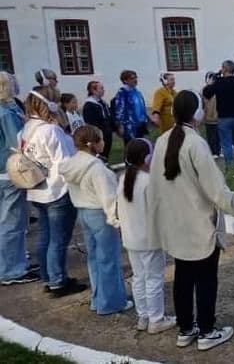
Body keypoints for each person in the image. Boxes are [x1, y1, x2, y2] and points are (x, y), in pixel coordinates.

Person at [149, 90, 234, 350]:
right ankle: (206, 330)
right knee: (205, 280)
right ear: (196, 114)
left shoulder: (162, 141)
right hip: (199, 225)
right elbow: (217, 190)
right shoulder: (195, 144)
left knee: (182, 277)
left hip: (174, 225)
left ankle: (186, 329)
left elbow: (156, 187)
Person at [21, 87, 87, 297]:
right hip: (56, 190)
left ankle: (49, 277)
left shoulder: (25, 129)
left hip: (38, 189)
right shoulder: (50, 130)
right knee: (58, 239)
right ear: (49, 104)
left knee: (45, 236)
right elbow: (64, 162)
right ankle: (58, 280)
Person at [59, 125, 131, 315]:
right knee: (109, 259)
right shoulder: (97, 169)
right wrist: (117, 223)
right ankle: (111, 302)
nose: (104, 142)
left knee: (94, 258)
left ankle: (98, 298)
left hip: (84, 212)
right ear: (93, 144)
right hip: (100, 215)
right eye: (101, 139)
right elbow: (108, 199)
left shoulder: (72, 163)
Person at [116, 138, 176, 333]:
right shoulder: (149, 182)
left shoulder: (124, 178)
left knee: (139, 278)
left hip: (131, 238)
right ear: (148, 158)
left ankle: (143, 316)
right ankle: (156, 320)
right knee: (154, 280)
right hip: (149, 239)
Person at [0, 72, 38, 285]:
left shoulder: (9, 109)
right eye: (12, 81)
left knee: (8, 222)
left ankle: (13, 261)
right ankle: (11, 269)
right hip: (9, 173)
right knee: (12, 223)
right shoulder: (6, 113)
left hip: (3, 173)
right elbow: (18, 143)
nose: (16, 83)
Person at [203, 60, 234, 166]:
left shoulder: (219, 83)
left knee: (226, 144)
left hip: (224, 117)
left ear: (225, 69)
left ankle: (230, 168)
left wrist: (210, 84)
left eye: (222, 68)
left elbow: (207, 94)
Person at [113, 70, 149, 143]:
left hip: (140, 123)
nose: (135, 80)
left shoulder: (136, 92)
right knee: (131, 146)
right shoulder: (122, 93)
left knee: (140, 145)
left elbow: (141, 107)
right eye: (132, 78)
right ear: (125, 80)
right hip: (130, 126)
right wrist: (120, 125)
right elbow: (119, 110)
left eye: (136, 78)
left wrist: (147, 118)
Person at [83, 81, 114, 161]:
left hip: (107, 134)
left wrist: (115, 127)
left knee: (106, 155)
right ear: (93, 90)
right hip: (99, 136)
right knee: (99, 157)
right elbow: (91, 123)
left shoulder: (102, 103)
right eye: (101, 88)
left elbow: (109, 117)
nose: (103, 90)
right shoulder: (90, 105)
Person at [202, 72, 221, 156]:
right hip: (211, 116)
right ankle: (214, 151)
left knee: (216, 135)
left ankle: (216, 151)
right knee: (213, 135)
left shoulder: (216, 89)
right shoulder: (206, 89)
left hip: (214, 116)